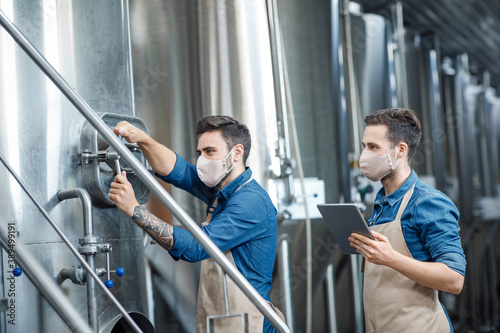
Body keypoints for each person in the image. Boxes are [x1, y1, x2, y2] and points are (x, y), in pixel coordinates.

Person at [108, 115, 282, 333]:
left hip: (250, 325)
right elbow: (178, 170)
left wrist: (135, 210)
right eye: (200, 153)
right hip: (222, 320)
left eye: (210, 152)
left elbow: (195, 247)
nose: (202, 161)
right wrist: (143, 140)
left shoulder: (250, 202)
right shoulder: (222, 191)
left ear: (237, 153)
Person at [348, 108, 466, 332]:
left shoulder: (428, 203)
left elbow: (454, 280)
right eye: (364, 146)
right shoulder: (382, 202)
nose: (365, 156)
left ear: (400, 150)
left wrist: (391, 258)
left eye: (373, 147)